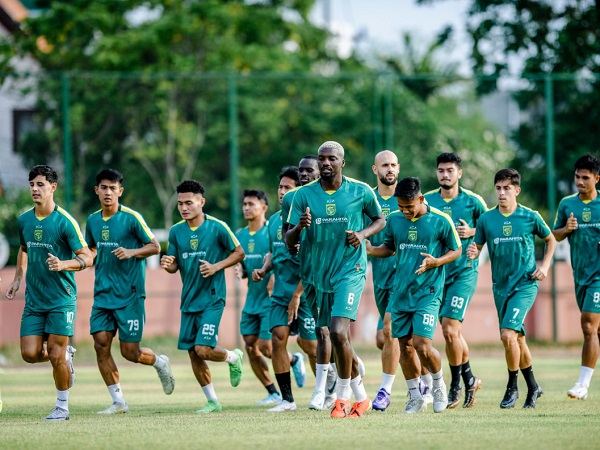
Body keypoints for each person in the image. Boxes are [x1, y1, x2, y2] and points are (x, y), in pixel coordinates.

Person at [287, 141, 386, 418]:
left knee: (339, 332)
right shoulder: (303, 195)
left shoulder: (361, 191)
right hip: (318, 275)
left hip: (349, 271)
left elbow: (380, 220)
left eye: (331, 158)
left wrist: (363, 235)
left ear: (342, 162)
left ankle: (341, 397)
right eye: (322, 159)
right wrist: (299, 227)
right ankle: (362, 397)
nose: (326, 163)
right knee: (334, 337)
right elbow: (288, 239)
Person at [4, 165, 93, 421]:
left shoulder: (65, 222)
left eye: (40, 184)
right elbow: (23, 249)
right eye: (32, 184)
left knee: (55, 352)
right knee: (29, 354)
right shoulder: (24, 220)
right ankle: (66, 358)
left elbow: (87, 257)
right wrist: (18, 277)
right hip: (34, 299)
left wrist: (64, 264)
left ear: (53, 187)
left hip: (61, 299)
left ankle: (62, 408)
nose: (35, 189)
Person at [85, 169, 175, 415]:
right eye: (103, 187)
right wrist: (81, 259)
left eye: (113, 188)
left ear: (120, 191)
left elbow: (155, 247)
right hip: (103, 294)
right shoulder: (92, 220)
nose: (108, 192)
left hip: (129, 295)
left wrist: (131, 252)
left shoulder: (132, 218)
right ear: (97, 190)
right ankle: (119, 402)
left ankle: (159, 362)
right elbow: (92, 250)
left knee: (130, 353)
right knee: (101, 344)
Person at [368, 177, 460, 414]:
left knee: (422, 345)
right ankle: (415, 397)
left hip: (428, 292)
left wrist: (436, 261)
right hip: (400, 293)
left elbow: (456, 249)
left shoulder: (440, 220)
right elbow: (389, 248)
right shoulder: (395, 220)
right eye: (401, 206)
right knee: (405, 347)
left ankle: (439, 385)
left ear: (421, 199)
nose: (405, 211)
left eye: (409, 206)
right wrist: (370, 249)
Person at [467, 168, 555, 409]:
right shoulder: (486, 219)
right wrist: (473, 251)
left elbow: (551, 239)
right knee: (516, 339)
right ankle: (534, 387)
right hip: (500, 288)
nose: (502, 193)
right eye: (498, 188)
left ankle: (512, 387)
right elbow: (477, 246)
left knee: (507, 335)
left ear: (517, 190)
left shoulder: (530, 216)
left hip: (525, 285)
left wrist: (545, 266)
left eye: (507, 188)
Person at [160, 180, 245, 413]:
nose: (184, 207)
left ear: (201, 202)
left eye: (189, 202)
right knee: (193, 352)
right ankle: (213, 401)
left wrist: (217, 267)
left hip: (212, 298)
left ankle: (233, 357)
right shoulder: (176, 231)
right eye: (180, 204)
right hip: (188, 301)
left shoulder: (217, 227)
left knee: (203, 349)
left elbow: (239, 252)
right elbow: (173, 265)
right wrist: (168, 264)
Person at [423, 153, 487, 409]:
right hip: (438, 275)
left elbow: (490, 226)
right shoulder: (426, 200)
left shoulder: (473, 201)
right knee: (453, 334)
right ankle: (469, 377)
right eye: (441, 170)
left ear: (459, 173)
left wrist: (473, 232)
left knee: (450, 329)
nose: (445, 174)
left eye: (450, 170)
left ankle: (456, 384)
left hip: (464, 273)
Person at [253, 167, 317, 412]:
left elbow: (312, 263)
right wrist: (264, 268)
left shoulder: (308, 220)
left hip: (306, 292)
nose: (282, 192)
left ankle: (338, 373)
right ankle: (287, 400)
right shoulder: (272, 222)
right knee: (277, 340)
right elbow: (273, 253)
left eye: (287, 187)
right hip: (280, 293)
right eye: (280, 187)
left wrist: (298, 295)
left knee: (310, 345)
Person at [281, 156, 339, 411]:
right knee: (317, 337)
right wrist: (298, 230)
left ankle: (335, 387)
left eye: (309, 170)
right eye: (301, 170)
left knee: (332, 333)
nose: (303, 174)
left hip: (332, 278)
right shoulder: (294, 202)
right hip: (307, 279)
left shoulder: (334, 199)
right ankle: (332, 385)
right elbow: (288, 241)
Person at [552, 154, 600, 400]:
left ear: (596, 179)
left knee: (588, 324)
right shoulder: (567, 205)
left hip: (598, 277)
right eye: (577, 177)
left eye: (585, 178)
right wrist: (566, 229)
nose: (579, 182)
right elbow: (555, 234)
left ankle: (582, 385)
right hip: (580, 275)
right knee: (596, 331)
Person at [236, 189, 282, 405]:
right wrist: (241, 271)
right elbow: (241, 265)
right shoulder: (240, 236)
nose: (246, 207)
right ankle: (272, 391)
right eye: (244, 204)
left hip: (270, 301)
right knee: (250, 346)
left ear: (264, 208)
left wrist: (274, 277)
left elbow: (279, 259)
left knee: (266, 346)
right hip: (251, 300)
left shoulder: (271, 232)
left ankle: (292, 361)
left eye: (251, 204)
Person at [367, 150, 403, 412]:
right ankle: (425, 382)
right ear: (375, 169)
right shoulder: (368, 199)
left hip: (406, 277)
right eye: (384, 165)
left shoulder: (409, 197)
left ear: (398, 168)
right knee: (385, 339)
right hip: (381, 276)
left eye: (392, 165)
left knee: (390, 330)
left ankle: (384, 391)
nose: (389, 169)